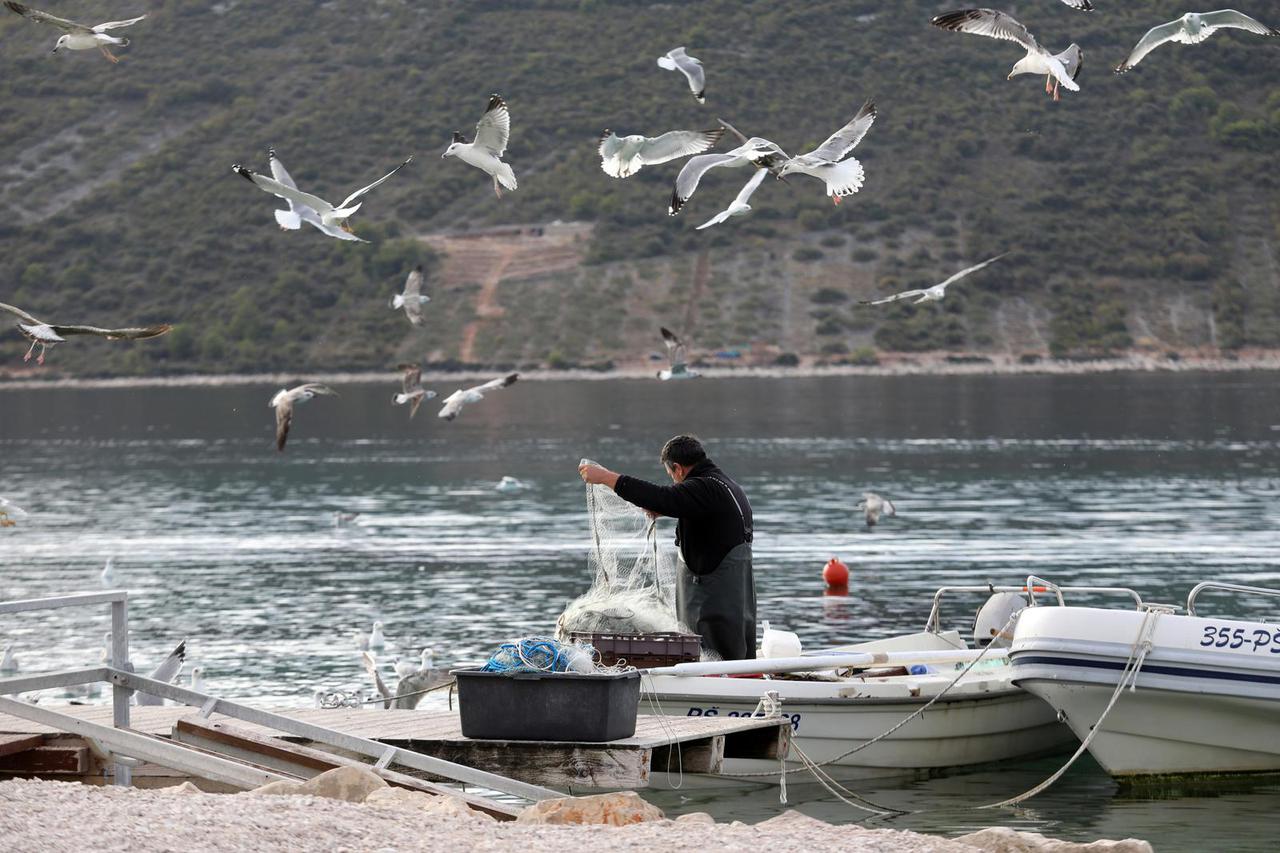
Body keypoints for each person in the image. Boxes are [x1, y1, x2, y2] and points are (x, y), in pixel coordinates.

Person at [578, 435, 756, 661]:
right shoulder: (727, 486)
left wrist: (605, 477)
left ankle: (721, 688)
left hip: (712, 600)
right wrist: (668, 509)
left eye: (671, 475)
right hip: (734, 595)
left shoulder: (705, 487)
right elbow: (692, 507)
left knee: (715, 653)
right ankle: (742, 678)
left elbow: (661, 496)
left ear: (678, 469)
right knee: (735, 648)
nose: (673, 481)